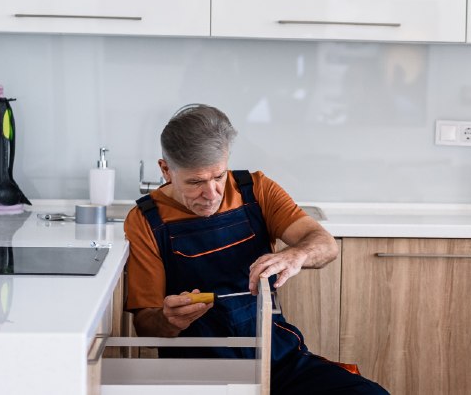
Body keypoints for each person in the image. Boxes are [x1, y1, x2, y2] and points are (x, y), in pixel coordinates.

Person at [124, 104, 388, 394]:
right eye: (196, 182)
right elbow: (147, 328)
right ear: (166, 170)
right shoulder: (145, 221)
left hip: (278, 360)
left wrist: (296, 254)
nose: (211, 194)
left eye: (219, 177)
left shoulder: (257, 190)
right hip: (198, 373)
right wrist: (167, 319)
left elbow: (325, 245)